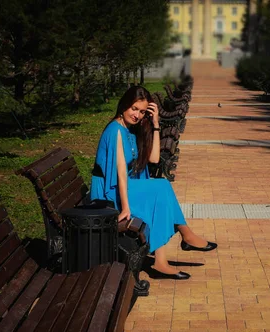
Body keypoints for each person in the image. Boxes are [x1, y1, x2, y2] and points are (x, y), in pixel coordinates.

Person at [90, 85, 217, 280]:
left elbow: (154, 159)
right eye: (134, 109)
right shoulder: (115, 130)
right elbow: (121, 173)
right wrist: (125, 208)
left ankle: (167, 254)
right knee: (160, 188)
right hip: (109, 192)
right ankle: (183, 237)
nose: (137, 115)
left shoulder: (130, 129)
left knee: (160, 188)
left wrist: (156, 123)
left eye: (142, 112)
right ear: (124, 104)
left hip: (122, 186)